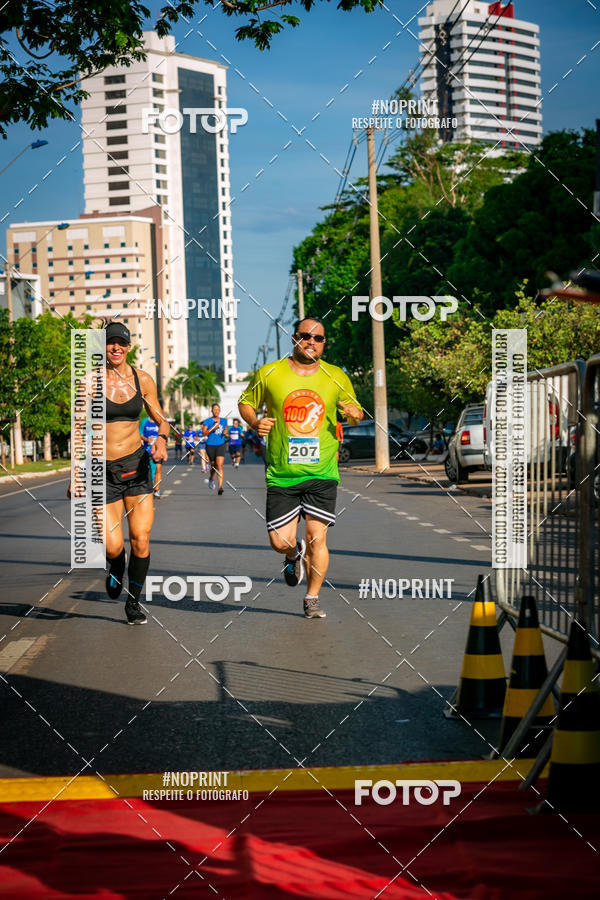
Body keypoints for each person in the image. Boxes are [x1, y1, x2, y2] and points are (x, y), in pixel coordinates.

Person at [239, 316, 363, 619]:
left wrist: (353, 413)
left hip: (322, 471)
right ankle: (293, 554)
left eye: (318, 338)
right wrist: (255, 421)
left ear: (324, 344)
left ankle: (312, 597)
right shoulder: (270, 373)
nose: (311, 341)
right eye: (305, 336)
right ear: (295, 338)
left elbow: (356, 411)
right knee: (279, 541)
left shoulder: (336, 376)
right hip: (282, 473)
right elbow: (245, 402)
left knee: (317, 537)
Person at [68, 321, 169, 625]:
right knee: (114, 546)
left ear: (129, 347)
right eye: (110, 342)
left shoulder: (144, 381)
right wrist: (75, 473)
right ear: (104, 346)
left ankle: (134, 603)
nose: (115, 348)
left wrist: (162, 439)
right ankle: (115, 566)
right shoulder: (89, 382)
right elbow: (77, 429)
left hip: (137, 467)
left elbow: (161, 419)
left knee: (140, 538)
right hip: (102, 471)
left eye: (121, 343)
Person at [202, 403, 229, 494]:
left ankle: (220, 487)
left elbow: (226, 430)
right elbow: (204, 433)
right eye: (214, 409)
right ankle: (211, 478)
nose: (216, 411)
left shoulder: (224, 420)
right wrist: (213, 428)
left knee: (220, 465)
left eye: (218, 409)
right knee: (213, 465)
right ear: (211, 411)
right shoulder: (207, 421)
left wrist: (226, 432)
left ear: (220, 410)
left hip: (221, 444)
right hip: (210, 445)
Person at [140, 414, 163, 498]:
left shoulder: (160, 422)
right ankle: (148, 488)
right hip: (147, 450)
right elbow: (139, 434)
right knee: (148, 470)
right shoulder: (144, 422)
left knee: (158, 469)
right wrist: (146, 439)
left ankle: (157, 490)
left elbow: (165, 434)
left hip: (158, 450)